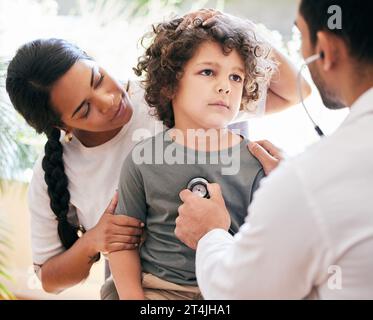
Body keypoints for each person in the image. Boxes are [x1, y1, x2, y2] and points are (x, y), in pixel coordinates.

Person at [5, 11, 310, 298]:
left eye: (97, 78)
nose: (109, 100)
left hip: (225, 275)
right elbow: (48, 279)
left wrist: (231, 26)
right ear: (62, 126)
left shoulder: (175, 90)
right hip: (144, 284)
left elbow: (296, 91)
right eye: (84, 109)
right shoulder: (55, 172)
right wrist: (93, 241)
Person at [175, 0, 373, 299]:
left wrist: (210, 234)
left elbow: (240, 294)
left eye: (301, 37)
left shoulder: (308, 181)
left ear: (326, 50)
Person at [107, 16, 277, 300]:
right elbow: (123, 243)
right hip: (158, 291)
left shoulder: (258, 161)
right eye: (209, 72)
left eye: (236, 77)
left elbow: (267, 247)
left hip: (229, 290)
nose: (226, 86)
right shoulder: (143, 159)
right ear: (170, 84)